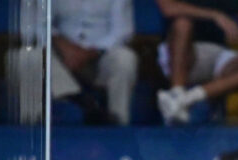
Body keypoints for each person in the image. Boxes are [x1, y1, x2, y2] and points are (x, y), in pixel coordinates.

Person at [7, 0, 139, 125]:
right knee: (26, 56)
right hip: (60, 56)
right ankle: (75, 101)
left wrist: (88, 53)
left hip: (100, 57)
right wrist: (63, 45)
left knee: (125, 58)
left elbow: (123, 32)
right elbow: (34, 26)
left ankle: (117, 121)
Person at [155, 0, 238, 126]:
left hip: (217, 51)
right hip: (179, 51)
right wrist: (215, 15)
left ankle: (184, 100)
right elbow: (168, 8)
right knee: (183, 23)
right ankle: (176, 92)